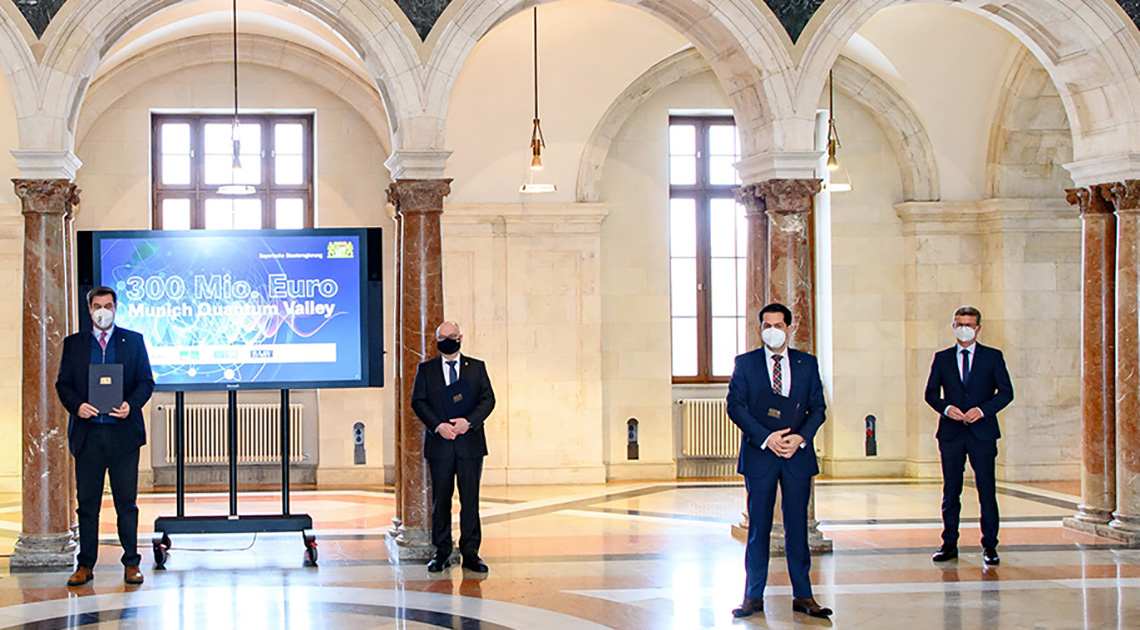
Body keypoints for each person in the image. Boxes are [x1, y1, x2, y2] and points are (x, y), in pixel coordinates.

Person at [726, 303, 833, 619]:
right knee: (758, 526)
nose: (772, 330)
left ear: (789, 328)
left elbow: (818, 408)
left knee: (796, 526)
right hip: (761, 454)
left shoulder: (806, 363)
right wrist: (766, 437)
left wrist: (799, 438)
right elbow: (735, 406)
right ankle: (752, 596)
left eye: (777, 324)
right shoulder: (745, 364)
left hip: (796, 456)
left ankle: (804, 596)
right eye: (766, 325)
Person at [55, 286, 154, 586]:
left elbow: (146, 381)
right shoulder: (73, 345)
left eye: (108, 306)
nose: (103, 311)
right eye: (97, 305)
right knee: (87, 505)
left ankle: (131, 564)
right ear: (89, 310)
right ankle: (85, 565)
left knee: (127, 504)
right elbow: (63, 385)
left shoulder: (133, 341)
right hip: (88, 437)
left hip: (123, 437)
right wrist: (77, 406)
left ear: (115, 308)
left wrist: (130, 405)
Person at [925, 305, 1014, 566]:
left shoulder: (992, 357)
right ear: (953, 326)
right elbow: (930, 393)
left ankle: (990, 545)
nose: (964, 328)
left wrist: (982, 410)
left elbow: (1006, 392)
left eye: (969, 324)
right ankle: (949, 543)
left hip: (982, 433)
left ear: (978, 328)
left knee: (986, 490)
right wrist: (947, 408)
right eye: (959, 323)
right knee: (951, 491)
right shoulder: (942, 358)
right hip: (951, 433)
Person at [411, 321, 496, 573]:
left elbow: (488, 399)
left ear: (460, 337)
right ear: (436, 340)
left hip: (470, 445)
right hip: (440, 445)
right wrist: (438, 426)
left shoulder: (476, 368)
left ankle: (471, 553)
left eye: (451, 335)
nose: (447, 339)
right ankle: (442, 552)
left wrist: (468, 422)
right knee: (441, 501)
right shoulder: (426, 369)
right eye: (442, 336)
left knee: (470, 500)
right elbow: (419, 402)